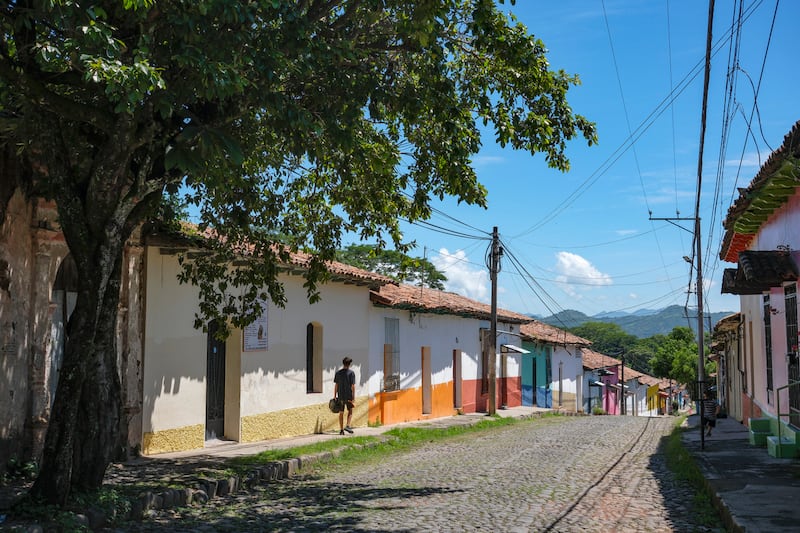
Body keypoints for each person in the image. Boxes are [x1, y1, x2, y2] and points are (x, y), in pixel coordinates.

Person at [333, 356, 355, 435]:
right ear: (349, 364)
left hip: (341, 396)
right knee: (350, 411)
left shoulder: (338, 373)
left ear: (343, 363)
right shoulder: (351, 373)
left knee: (341, 412)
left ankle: (341, 430)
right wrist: (353, 396)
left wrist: (335, 396)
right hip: (348, 396)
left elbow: (336, 385)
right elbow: (353, 386)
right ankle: (348, 425)